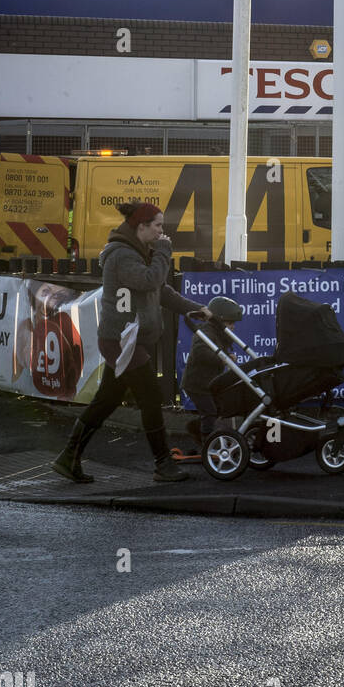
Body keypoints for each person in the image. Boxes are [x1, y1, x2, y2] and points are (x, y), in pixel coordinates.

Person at [52, 200, 211, 484]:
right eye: (159, 226)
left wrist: (196, 308)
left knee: (106, 401)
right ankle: (163, 464)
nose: (163, 232)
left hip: (128, 340)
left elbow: (161, 291)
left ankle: (68, 458)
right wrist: (164, 252)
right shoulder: (122, 256)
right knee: (151, 398)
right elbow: (151, 280)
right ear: (142, 227)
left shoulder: (139, 252)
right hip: (122, 341)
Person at [180, 296, 246, 441]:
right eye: (230, 323)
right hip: (196, 383)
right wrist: (224, 359)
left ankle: (196, 427)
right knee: (210, 412)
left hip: (208, 383)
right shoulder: (206, 332)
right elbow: (200, 352)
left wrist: (226, 355)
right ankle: (206, 441)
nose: (233, 327)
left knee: (218, 409)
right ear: (219, 321)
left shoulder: (219, 334)